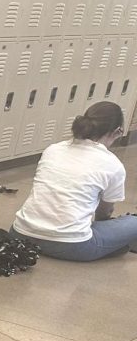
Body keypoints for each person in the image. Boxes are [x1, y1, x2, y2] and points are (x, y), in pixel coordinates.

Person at [10, 100, 137, 261]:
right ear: (118, 132)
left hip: (19, 234)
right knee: (133, 222)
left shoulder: (53, 149)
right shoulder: (112, 164)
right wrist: (106, 228)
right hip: (71, 246)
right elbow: (105, 212)